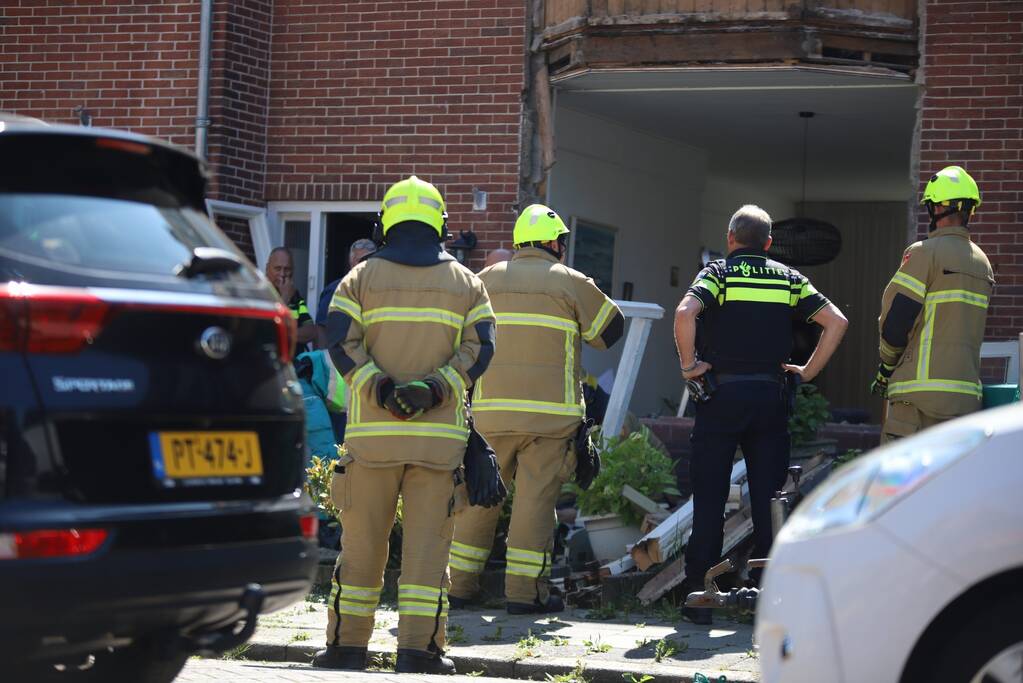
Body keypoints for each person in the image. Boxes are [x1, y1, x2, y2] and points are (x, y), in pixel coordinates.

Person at [312, 176, 501, 676]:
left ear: (385, 224)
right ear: (439, 223)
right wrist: (435, 388)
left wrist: (381, 388)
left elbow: (339, 342)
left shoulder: (359, 280)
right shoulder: (466, 282)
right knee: (425, 557)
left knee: (361, 550)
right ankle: (419, 652)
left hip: (372, 444)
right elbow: (482, 348)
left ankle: (346, 648)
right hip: (437, 447)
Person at [674, 204, 847, 625]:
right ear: (769, 243)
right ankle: (765, 602)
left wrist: (687, 365)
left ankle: (701, 600)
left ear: (730, 238)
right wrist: (807, 371)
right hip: (770, 398)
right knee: (771, 502)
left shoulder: (717, 274)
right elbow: (836, 321)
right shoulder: (788, 278)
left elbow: (684, 313)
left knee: (711, 498)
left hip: (720, 398)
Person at [448, 204, 624, 614]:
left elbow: (454, 333)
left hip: (490, 414)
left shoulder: (484, 278)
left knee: (478, 497)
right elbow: (611, 332)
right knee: (534, 504)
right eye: (561, 241)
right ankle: (525, 595)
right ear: (552, 243)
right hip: (550, 419)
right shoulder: (571, 281)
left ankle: (458, 588)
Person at [872, 166, 994, 440]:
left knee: (905, 482)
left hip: (917, 400)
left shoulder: (924, 253)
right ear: (970, 210)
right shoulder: (983, 263)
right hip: (965, 400)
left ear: (936, 208)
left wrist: (886, 366)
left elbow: (896, 323)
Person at [316, 238, 378, 350]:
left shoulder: (378, 290)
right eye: (362, 261)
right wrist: (324, 361)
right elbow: (322, 329)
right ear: (352, 262)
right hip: (341, 358)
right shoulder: (335, 289)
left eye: (371, 261)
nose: (367, 265)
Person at [265, 246, 317, 351]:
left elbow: (311, 331)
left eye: (287, 269)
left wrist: (285, 334)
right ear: (267, 269)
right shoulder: (259, 294)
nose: (282, 274)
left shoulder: (295, 297)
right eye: (278, 268)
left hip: (294, 364)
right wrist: (285, 298)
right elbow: (266, 333)